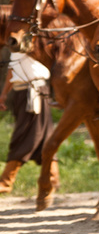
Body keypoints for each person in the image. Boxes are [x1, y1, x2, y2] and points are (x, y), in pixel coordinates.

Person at [0, 51, 57, 194]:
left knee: (25, 134)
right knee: (44, 134)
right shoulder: (17, 46)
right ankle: (53, 178)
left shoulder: (30, 43)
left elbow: (12, 72)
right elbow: (13, 72)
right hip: (25, 93)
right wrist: (5, 94)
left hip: (34, 93)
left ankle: (6, 181)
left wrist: (4, 94)